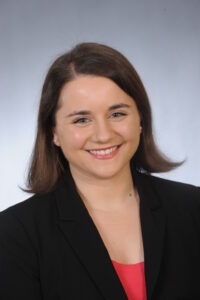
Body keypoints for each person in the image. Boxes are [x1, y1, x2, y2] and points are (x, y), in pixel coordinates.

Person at [0, 42, 199, 300]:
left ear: (140, 119)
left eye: (117, 114)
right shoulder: (14, 234)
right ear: (54, 132)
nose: (104, 135)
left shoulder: (193, 210)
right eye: (82, 120)